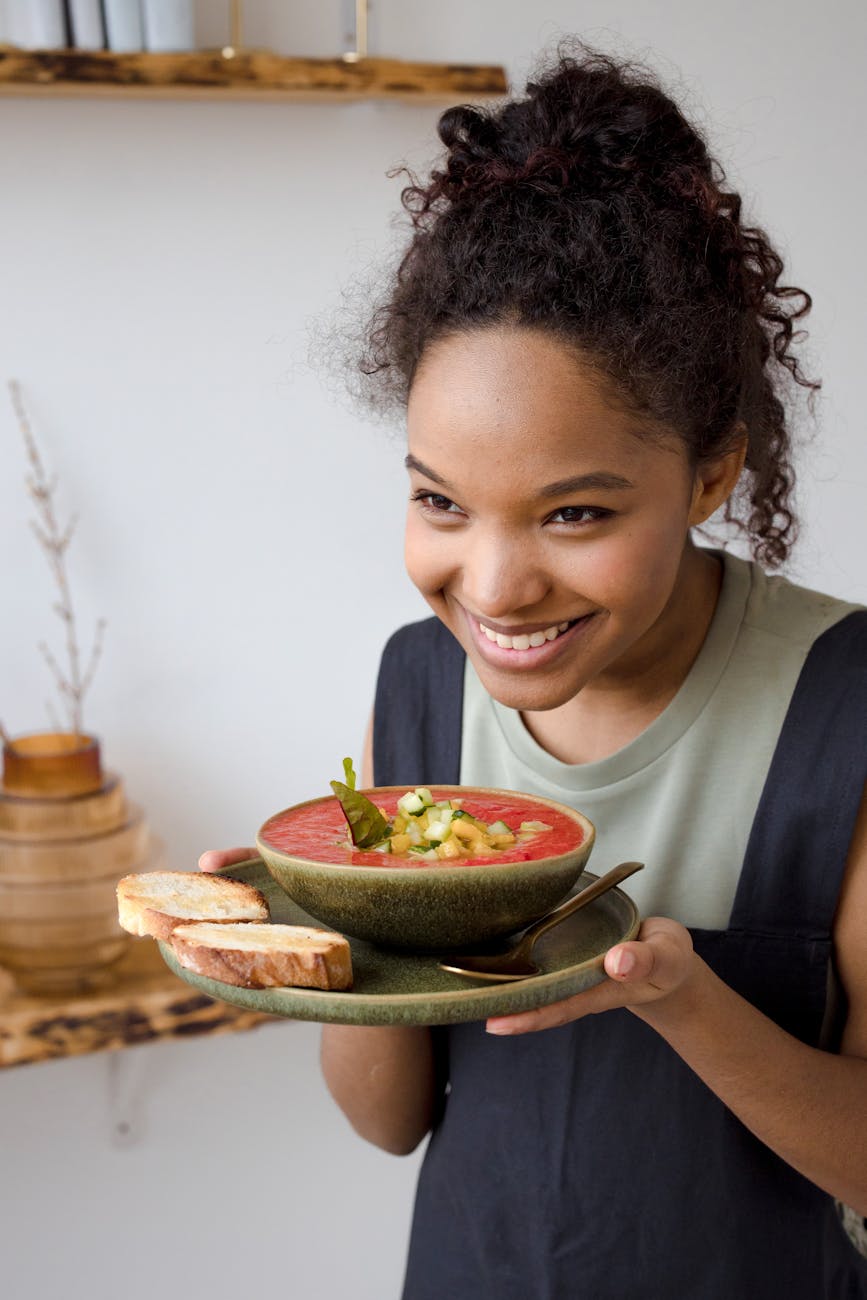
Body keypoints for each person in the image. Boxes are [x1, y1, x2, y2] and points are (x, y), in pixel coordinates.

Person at [200, 47, 867, 1299]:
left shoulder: (847, 705)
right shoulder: (418, 683)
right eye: (440, 501)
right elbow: (392, 1122)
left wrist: (676, 995)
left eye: (573, 514)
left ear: (712, 474)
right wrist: (319, 940)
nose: (494, 587)